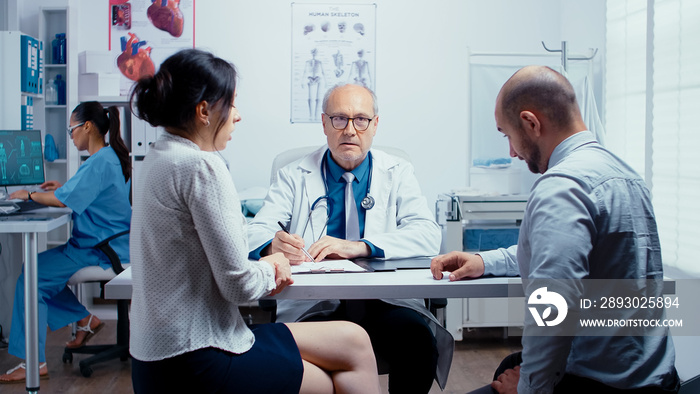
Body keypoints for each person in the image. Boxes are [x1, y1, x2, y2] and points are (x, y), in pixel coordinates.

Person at [128, 48, 380, 394]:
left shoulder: (158, 158)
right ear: (204, 111)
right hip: (197, 355)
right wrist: (275, 263)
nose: (238, 116)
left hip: (152, 357)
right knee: (328, 377)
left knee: (353, 340)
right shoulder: (202, 166)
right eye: (231, 105)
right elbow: (239, 287)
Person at [431, 66, 679, 393]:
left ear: (531, 123)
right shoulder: (624, 173)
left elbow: (553, 308)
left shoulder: (561, 187)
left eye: (508, 135)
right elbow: (564, 253)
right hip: (655, 376)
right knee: (509, 364)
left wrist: (528, 390)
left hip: (602, 385)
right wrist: (484, 261)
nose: (511, 152)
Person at [248, 83, 453, 392]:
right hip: (316, 304)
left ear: (375, 125)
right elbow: (254, 231)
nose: (350, 130)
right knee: (308, 364)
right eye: (339, 119)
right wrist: (272, 244)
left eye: (361, 120)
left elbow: (426, 233)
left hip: (386, 301)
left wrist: (359, 247)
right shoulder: (293, 175)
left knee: (418, 343)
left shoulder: (398, 171)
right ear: (324, 123)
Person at [0, 102, 131, 384]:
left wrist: (27, 195)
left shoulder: (99, 162)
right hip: (104, 245)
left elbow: (62, 201)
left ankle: (33, 363)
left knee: (32, 277)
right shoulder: (107, 157)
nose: (70, 136)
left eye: (71, 129)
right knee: (34, 270)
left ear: (87, 127)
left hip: (100, 250)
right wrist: (61, 187)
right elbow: (79, 193)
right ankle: (85, 320)